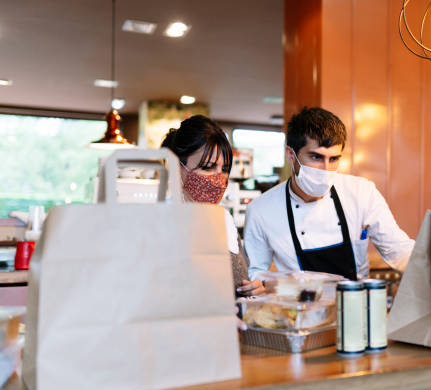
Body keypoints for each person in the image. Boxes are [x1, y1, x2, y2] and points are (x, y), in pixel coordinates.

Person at [244, 107, 415, 281]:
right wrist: (263, 284)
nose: (326, 170)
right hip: (300, 306)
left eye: (333, 159)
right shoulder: (261, 210)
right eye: (316, 157)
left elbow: (398, 250)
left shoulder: (362, 193)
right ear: (291, 155)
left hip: (356, 303)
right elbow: (256, 273)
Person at [161, 115, 264, 296]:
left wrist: (254, 287)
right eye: (208, 167)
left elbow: (240, 280)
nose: (219, 179)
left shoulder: (224, 218)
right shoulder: (162, 222)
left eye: (224, 169)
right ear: (178, 168)